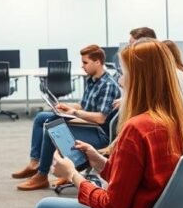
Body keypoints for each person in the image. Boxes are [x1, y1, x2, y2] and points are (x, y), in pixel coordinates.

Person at [1, 39, 183, 208]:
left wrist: (73, 175)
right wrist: (100, 161)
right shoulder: (174, 123)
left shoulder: (137, 129)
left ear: (140, 79)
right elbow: (142, 181)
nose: (121, 81)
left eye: (125, 73)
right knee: (44, 207)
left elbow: (112, 207)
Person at [12, 44, 119, 191]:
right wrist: (65, 107)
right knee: (41, 117)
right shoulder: (93, 80)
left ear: (97, 62)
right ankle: (34, 163)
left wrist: (73, 113)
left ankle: (42, 175)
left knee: (53, 126)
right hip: (86, 122)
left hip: (98, 133)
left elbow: (100, 118)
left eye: (85, 62)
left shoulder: (107, 85)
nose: (82, 66)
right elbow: (82, 105)